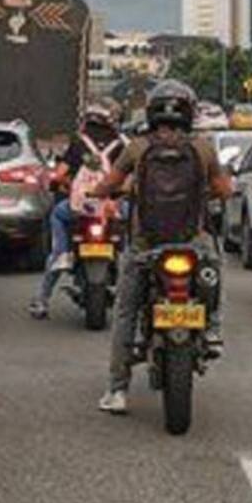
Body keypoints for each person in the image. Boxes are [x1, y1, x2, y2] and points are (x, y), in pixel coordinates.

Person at [88, 80, 232, 414]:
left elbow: (109, 183)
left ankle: (117, 390)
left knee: (125, 312)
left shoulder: (137, 147)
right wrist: (213, 193)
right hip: (191, 243)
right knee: (214, 269)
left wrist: (100, 192)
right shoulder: (203, 148)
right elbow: (224, 190)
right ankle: (211, 328)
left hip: (145, 245)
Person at [28, 102, 126, 319]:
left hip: (79, 207)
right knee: (131, 237)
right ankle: (127, 267)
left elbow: (60, 175)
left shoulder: (78, 143)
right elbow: (130, 180)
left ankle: (43, 297)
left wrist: (69, 187)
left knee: (57, 217)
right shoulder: (120, 146)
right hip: (111, 209)